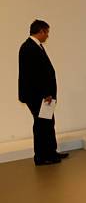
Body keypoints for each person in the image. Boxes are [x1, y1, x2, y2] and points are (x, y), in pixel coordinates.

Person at [18, 19, 68, 166]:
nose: (47, 36)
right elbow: (34, 75)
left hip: (43, 96)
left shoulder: (35, 46)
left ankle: (51, 152)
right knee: (41, 125)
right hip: (38, 96)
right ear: (41, 31)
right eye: (46, 32)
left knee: (47, 123)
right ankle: (41, 157)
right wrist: (46, 93)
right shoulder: (29, 48)